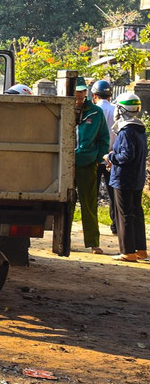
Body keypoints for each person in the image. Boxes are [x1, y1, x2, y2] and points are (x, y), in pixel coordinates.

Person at [73, 76, 111, 254]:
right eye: (76, 92)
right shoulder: (63, 109)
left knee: (89, 204)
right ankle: (63, 240)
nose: (79, 95)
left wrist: (96, 159)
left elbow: (104, 138)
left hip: (87, 164)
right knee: (65, 204)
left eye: (82, 91)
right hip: (65, 164)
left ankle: (93, 242)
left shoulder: (96, 112)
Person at [107, 93, 147, 262]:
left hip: (123, 178)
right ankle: (141, 250)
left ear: (123, 109)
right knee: (136, 212)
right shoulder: (140, 129)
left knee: (124, 215)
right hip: (137, 177)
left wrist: (110, 157)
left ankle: (128, 252)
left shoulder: (126, 131)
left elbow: (126, 156)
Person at [91, 80, 118, 233]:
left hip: (95, 158)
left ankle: (92, 226)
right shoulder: (116, 110)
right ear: (110, 95)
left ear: (94, 95)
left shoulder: (93, 110)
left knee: (92, 194)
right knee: (114, 193)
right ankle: (116, 225)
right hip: (112, 158)